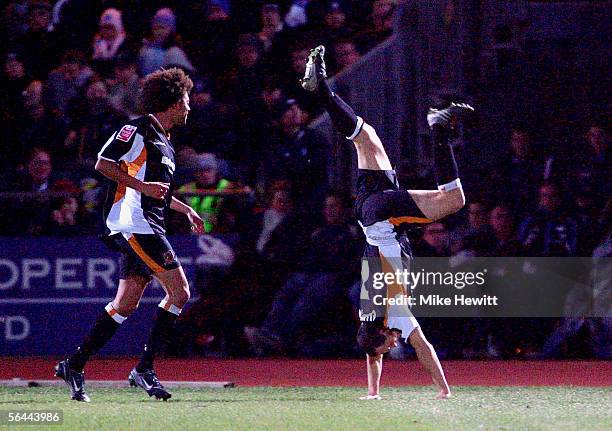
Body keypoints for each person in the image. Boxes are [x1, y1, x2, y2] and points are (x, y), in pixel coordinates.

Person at [301, 46, 472, 399]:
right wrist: (373, 392)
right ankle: (322, 89)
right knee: (366, 137)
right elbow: (370, 353)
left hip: (383, 220)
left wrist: (444, 391)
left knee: (454, 201)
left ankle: (438, 129)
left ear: (385, 333)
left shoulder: (392, 314)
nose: (394, 346)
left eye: (389, 344)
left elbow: (421, 348)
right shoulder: (368, 312)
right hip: (368, 208)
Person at [54, 68, 204, 402]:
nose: (190, 106)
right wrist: (140, 186)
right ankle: (145, 369)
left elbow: (158, 191)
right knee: (179, 292)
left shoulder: (166, 141)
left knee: (125, 303)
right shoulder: (137, 128)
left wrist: (185, 210)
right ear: (173, 101)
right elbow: (103, 163)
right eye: (186, 100)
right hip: (136, 224)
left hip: (150, 222)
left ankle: (74, 364)